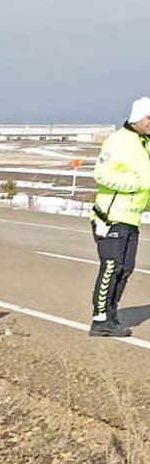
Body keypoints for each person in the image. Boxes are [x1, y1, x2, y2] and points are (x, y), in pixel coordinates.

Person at [89, 97, 150, 337]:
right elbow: (101, 174)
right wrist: (134, 184)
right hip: (111, 216)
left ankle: (111, 315)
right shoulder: (118, 141)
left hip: (131, 217)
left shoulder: (144, 142)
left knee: (125, 269)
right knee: (111, 267)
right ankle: (99, 318)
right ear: (142, 118)